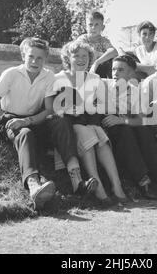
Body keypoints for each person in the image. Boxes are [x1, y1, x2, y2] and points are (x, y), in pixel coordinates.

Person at [0, 37, 97, 210]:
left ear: (45, 59)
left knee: (61, 121)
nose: (35, 61)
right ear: (23, 56)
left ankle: (77, 181)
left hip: (35, 119)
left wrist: (28, 120)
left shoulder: (48, 76)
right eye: (31, 57)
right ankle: (34, 185)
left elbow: (49, 110)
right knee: (25, 133)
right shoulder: (11, 74)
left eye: (40, 58)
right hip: (10, 118)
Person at [53, 40, 127, 206]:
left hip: (90, 120)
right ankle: (99, 188)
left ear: (90, 59)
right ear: (67, 58)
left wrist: (90, 107)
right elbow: (52, 107)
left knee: (100, 136)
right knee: (89, 133)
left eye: (85, 56)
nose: (81, 59)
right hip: (69, 123)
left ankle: (117, 186)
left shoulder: (95, 78)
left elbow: (107, 105)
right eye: (76, 55)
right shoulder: (58, 78)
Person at [101, 55, 157, 199]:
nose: (115, 73)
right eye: (114, 69)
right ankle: (143, 180)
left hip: (123, 127)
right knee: (126, 130)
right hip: (107, 128)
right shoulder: (103, 85)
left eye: (120, 70)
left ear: (130, 74)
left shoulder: (134, 91)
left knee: (143, 129)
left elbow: (141, 120)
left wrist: (121, 120)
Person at [76, 10, 118, 78]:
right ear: (86, 26)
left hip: (98, 70)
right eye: (90, 25)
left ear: (102, 27)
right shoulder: (83, 39)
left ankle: (111, 84)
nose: (93, 28)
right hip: (83, 71)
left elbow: (113, 51)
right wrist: (99, 55)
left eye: (96, 25)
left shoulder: (103, 40)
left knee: (112, 61)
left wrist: (97, 62)